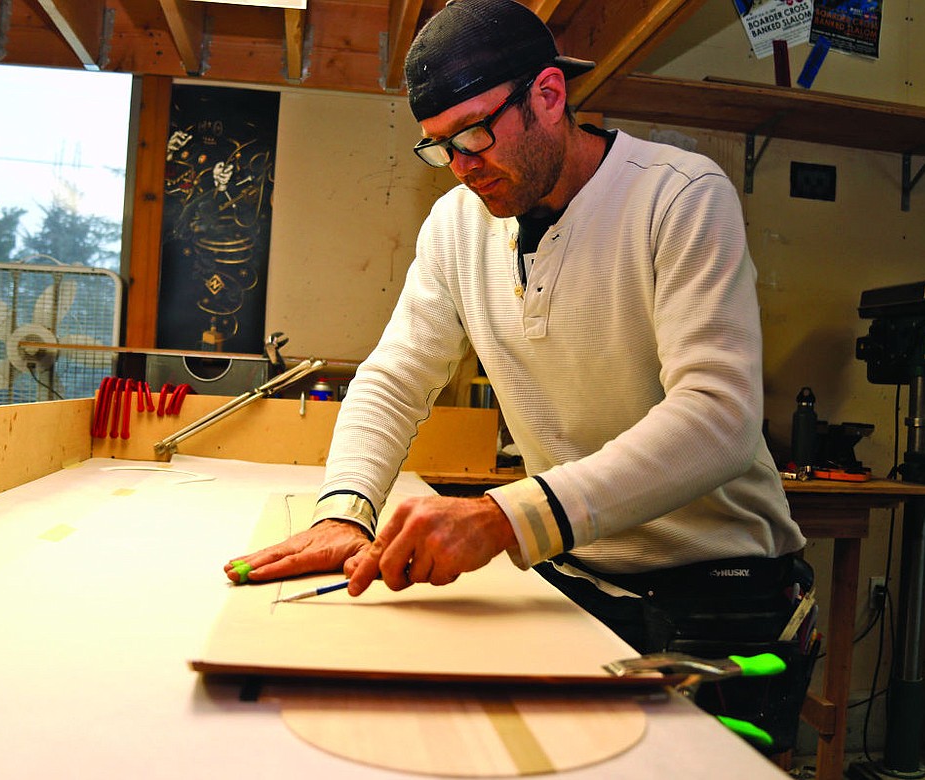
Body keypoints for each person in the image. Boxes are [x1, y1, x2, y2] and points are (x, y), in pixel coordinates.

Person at [225, 0, 813, 748]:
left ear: (548, 95)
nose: (463, 166)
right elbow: (397, 374)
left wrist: (506, 517)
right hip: (579, 578)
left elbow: (719, 418)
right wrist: (345, 511)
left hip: (727, 590)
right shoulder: (456, 226)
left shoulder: (680, 195)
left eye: (475, 132)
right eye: (440, 147)